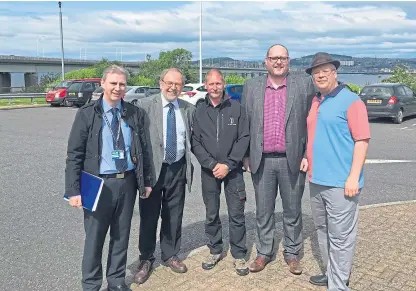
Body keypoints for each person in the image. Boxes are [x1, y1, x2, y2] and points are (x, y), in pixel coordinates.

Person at [65, 65, 152, 291]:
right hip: (98, 183)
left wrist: (146, 181)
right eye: (113, 83)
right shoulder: (87, 114)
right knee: (94, 239)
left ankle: (116, 281)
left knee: (121, 237)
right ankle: (91, 285)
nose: (117, 88)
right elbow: (74, 154)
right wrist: (74, 190)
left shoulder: (134, 114)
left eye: (122, 84)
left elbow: (144, 150)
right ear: (102, 84)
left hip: (127, 181)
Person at [241, 44, 316, 274]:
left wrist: (307, 154)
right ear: (266, 61)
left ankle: (292, 253)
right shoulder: (252, 87)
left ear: (288, 60)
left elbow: (312, 121)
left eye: (282, 58)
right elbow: (245, 124)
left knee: (293, 210)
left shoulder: (303, 84)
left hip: (291, 159)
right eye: (273, 58)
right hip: (261, 160)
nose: (278, 62)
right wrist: (245, 155)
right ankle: (264, 252)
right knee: (263, 210)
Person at [304, 52, 370, 290]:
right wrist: (305, 157)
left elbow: (362, 140)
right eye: (316, 72)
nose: (320, 75)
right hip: (316, 179)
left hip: (342, 183)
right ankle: (332, 273)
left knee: (341, 237)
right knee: (323, 230)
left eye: (325, 70)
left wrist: (353, 177)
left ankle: (339, 285)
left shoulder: (352, 101)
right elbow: (315, 135)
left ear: (335, 73)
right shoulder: (316, 101)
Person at [133, 68, 195, 284]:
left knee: (174, 215)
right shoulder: (144, 106)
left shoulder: (188, 109)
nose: (172, 88)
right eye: (169, 83)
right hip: (153, 171)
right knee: (149, 217)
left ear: (181, 86)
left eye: (177, 84)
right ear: (160, 83)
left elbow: (195, 140)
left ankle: (170, 254)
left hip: (177, 168)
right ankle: (146, 259)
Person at [191, 69, 250, 276]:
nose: (215, 87)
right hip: (209, 172)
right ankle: (215, 250)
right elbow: (195, 142)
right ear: (206, 85)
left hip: (233, 171)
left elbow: (244, 137)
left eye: (218, 83)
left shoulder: (237, 108)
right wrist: (210, 164)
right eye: (211, 84)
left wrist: (229, 163)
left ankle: (239, 254)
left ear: (223, 84)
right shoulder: (199, 111)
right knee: (211, 213)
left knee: (236, 214)